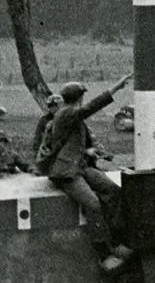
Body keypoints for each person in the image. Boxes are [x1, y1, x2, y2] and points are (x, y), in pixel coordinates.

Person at [37, 74, 133, 272]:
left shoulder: (71, 115)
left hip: (79, 167)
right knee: (93, 204)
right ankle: (104, 255)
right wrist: (116, 87)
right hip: (65, 173)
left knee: (112, 190)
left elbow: (75, 142)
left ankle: (117, 241)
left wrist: (90, 151)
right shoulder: (66, 114)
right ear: (79, 98)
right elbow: (92, 107)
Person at [31, 92, 63, 162]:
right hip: (48, 149)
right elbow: (37, 136)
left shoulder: (67, 118)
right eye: (50, 106)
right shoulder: (44, 119)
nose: (53, 108)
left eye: (55, 106)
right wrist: (36, 152)